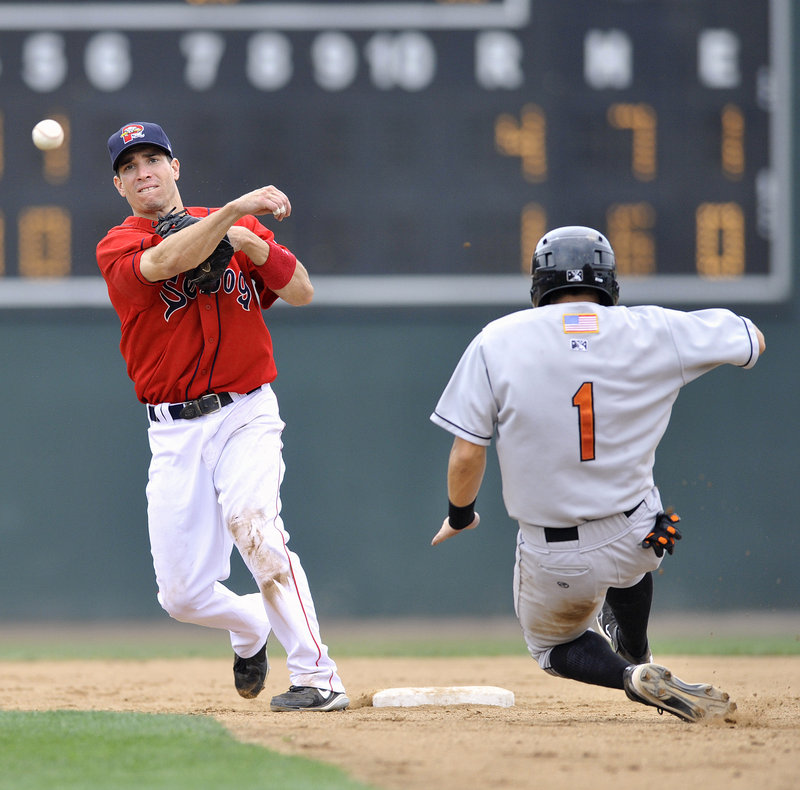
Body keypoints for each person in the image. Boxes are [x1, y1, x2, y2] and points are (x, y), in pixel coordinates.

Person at [429, 225, 765, 722]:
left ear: (539, 283)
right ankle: (637, 646)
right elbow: (750, 340)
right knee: (636, 545)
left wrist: (460, 514)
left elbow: (466, 455)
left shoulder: (497, 340)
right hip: (638, 530)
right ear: (609, 280)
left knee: (552, 644)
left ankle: (628, 676)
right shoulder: (655, 328)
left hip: (554, 552)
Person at [96, 121, 348, 712]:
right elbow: (163, 264)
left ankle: (319, 676)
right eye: (130, 167)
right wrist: (229, 219)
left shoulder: (239, 228)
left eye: (153, 159)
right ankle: (250, 627)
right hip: (174, 430)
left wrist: (247, 240)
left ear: (175, 167)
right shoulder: (119, 245)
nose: (144, 172)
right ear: (120, 185)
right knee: (181, 597)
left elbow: (303, 290)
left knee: (255, 525)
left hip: (246, 411)